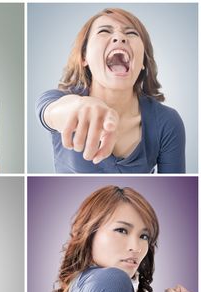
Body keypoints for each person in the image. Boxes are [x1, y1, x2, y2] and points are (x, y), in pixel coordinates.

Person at [36, 8, 185, 173]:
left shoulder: (168, 121)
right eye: (104, 31)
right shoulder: (56, 99)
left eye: (131, 33)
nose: (120, 37)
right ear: (84, 56)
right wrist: (78, 107)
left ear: (143, 59)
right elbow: (50, 113)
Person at [53, 186, 194, 292]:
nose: (136, 247)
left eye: (144, 236)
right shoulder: (111, 280)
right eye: (121, 230)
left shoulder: (80, 282)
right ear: (90, 232)